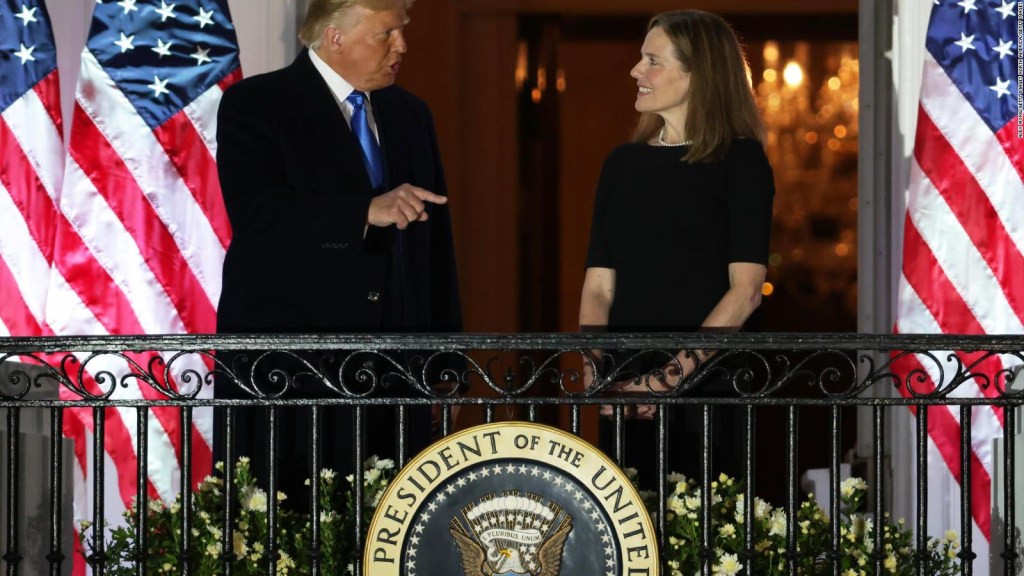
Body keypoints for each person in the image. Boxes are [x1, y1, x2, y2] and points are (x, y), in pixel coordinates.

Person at [213, 0, 461, 508]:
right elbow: (259, 215)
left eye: (402, 31)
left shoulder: (411, 114)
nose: (402, 46)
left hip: (394, 371)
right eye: (387, 33)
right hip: (292, 370)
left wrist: (445, 364)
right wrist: (364, 211)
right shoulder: (256, 104)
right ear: (334, 37)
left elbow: (436, 251)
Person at [579, 10, 774, 486]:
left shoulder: (741, 161)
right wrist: (595, 369)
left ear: (699, 73)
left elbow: (745, 291)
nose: (635, 72)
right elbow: (599, 284)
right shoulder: (621, 164)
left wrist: (669, 378)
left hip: (705, 387)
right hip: (624, 387)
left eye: (652, 61)